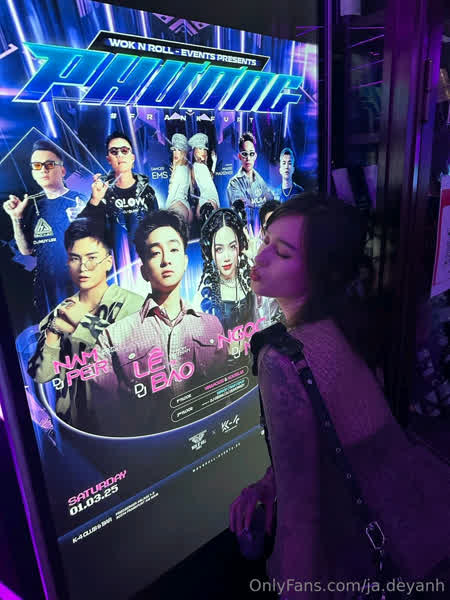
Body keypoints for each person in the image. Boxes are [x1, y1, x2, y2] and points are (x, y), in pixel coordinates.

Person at [229, 194, 450, 598]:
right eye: (265, 241)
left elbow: (301, 515)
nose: (259, 258)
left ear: (321, 272)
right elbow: (339, 438)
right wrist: (271, 481)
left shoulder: (282, 359)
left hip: (364, 558)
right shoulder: (347, 321)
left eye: (282, 253)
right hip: (424, 527)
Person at [88, 210, 227, 436]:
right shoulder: (112, 338)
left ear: (185, 261)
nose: (166, 260)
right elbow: (109, 422)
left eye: (173, 249)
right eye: (155, 253)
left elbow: (222, 398)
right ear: (143, 270)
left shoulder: (212, 326)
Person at [28, 217, 144, 431]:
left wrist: (83, 321)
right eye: (75, 258)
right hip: (72, 427)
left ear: (108, 262)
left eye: (92, 258)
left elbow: (135, 358)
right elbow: (40, 374)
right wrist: (53, 332)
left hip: (122, 425)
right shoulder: (59, 312)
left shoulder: (135, 305)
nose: (83, 267)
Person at [3, 139, 85, 318]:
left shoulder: (79, 201)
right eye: (37, 166)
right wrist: (16, 218)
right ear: (33, 173)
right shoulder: (33, 207)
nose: (43, 170)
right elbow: (26, 250)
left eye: (49, 164)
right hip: (46, 292)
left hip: (79, 289)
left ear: (62, 170)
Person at [79, 130, 158, 269]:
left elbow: (158, 227)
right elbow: (82, 229)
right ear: (108, 159)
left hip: (146, 264)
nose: (120, 155)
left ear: (132, 157)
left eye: (124, 150)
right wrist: (95, 199)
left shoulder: (147, 191)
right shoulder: (102, 192)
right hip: (115, 267)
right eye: (114, 152)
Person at [195, 205, 255, 354]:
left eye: (232, 247)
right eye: (219, 249)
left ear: (240, 246)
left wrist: (256, 259)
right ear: (210, 251)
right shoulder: (203, 297)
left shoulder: (250, 281)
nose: (227, 257)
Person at [226, 132, 273, 234]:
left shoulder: (260, 180)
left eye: (251, 154)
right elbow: (243, 207)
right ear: (239, 156)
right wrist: (261, 202)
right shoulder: (234, 183)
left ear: (255, 156)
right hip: (244, 234)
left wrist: (253, 203)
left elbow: (270, 201)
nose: (248, 158)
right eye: (245, 154)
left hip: (262, 234)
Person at [188, 132, 219, 217]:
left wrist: (214, 162)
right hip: (206, 196)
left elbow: (210, 178)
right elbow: (193, 185)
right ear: (195, 151)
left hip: (210, 195)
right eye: (200, 148)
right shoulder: (195, 166)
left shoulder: (203, 166)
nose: (203, 151)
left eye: (204, 149)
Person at [166, 133, 192, 224]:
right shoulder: (186, 168)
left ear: (184, 152)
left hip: (177, 205)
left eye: (179, 150)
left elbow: (172, 193)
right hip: (185, 206)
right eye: (174, 150)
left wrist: (165, 210)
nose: (176, 153)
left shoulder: (180, 169)